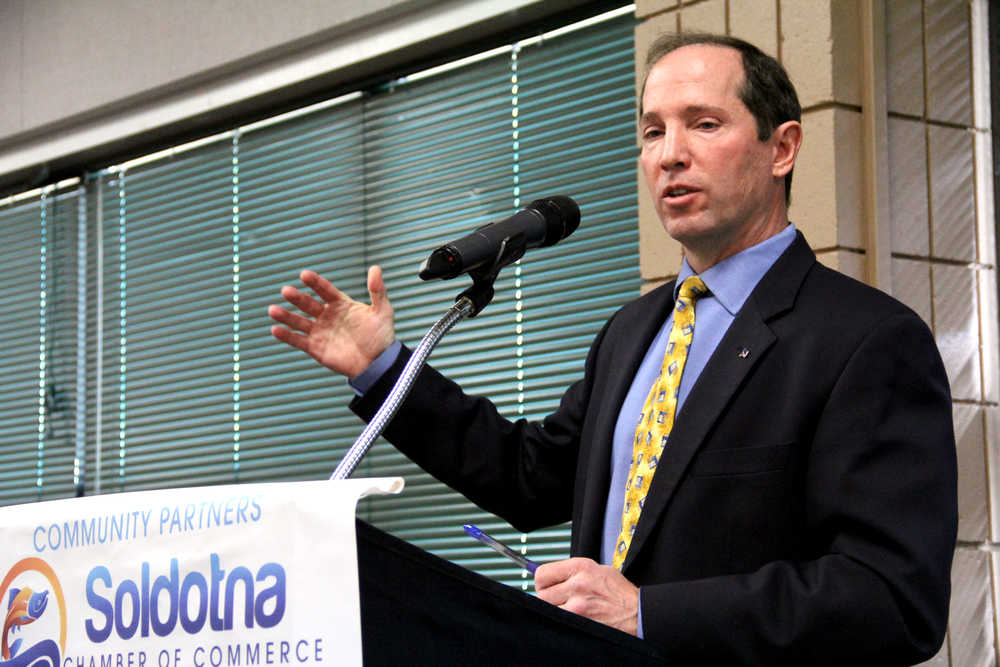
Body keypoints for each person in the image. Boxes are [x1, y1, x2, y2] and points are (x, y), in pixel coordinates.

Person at [269, 32, 957, 664]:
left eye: (704, 124)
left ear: (782, 148)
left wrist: (647, 611)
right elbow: (530, 477)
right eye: (653, 131)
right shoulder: (633, 330)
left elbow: (892, 596)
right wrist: (386, 369)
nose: (669, 154)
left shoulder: (864, 339)